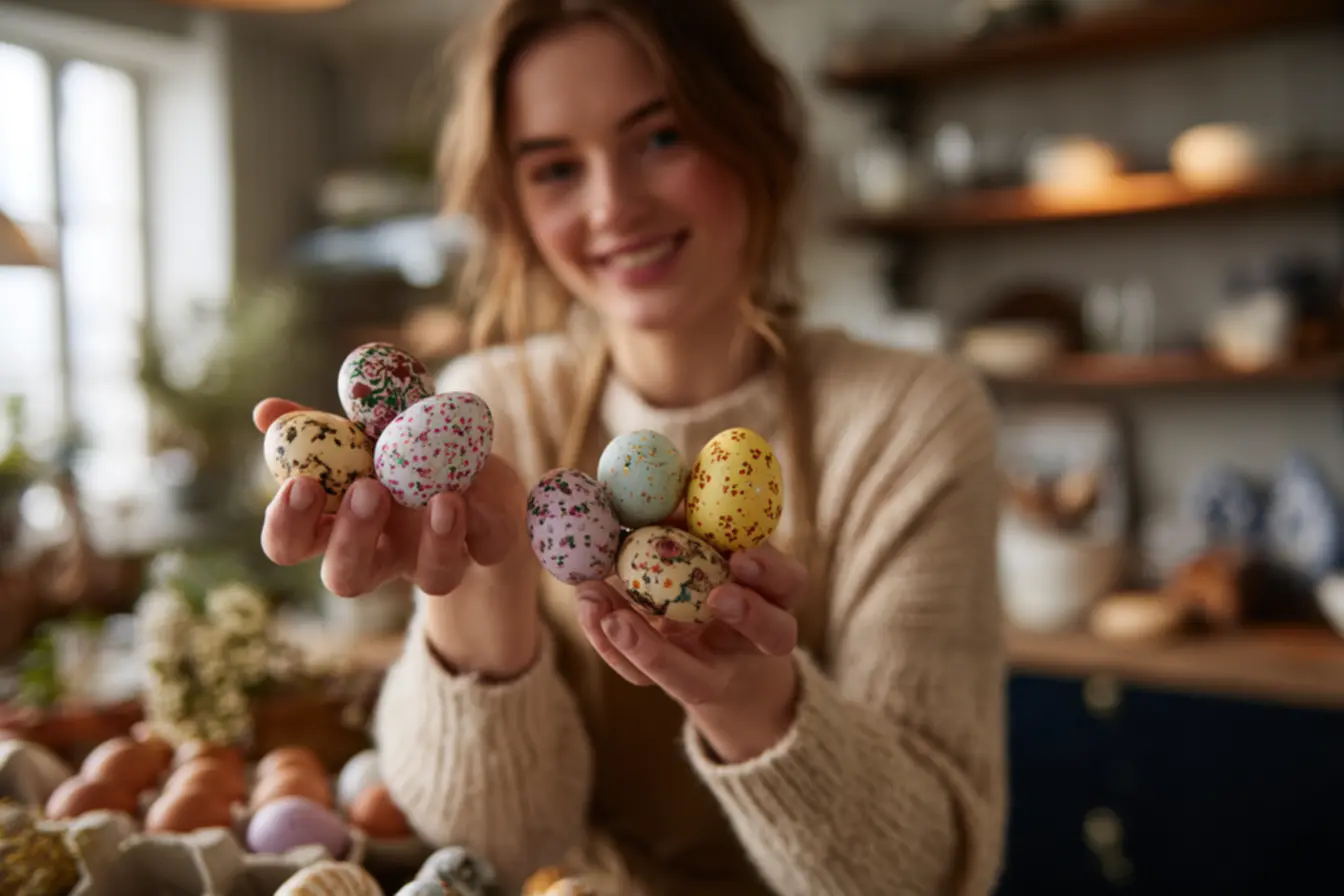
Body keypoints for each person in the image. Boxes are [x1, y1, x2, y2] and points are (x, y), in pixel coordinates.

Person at [253, 1, 1006, 893]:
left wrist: (753, 702)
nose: (613, 205)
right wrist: (477, 596)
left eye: (661, 138)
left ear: (750, 133)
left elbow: (923, 874)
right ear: (516, 206)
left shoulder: (907, 417)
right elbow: (501, 848)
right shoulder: (489, 409)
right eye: (557, 168)